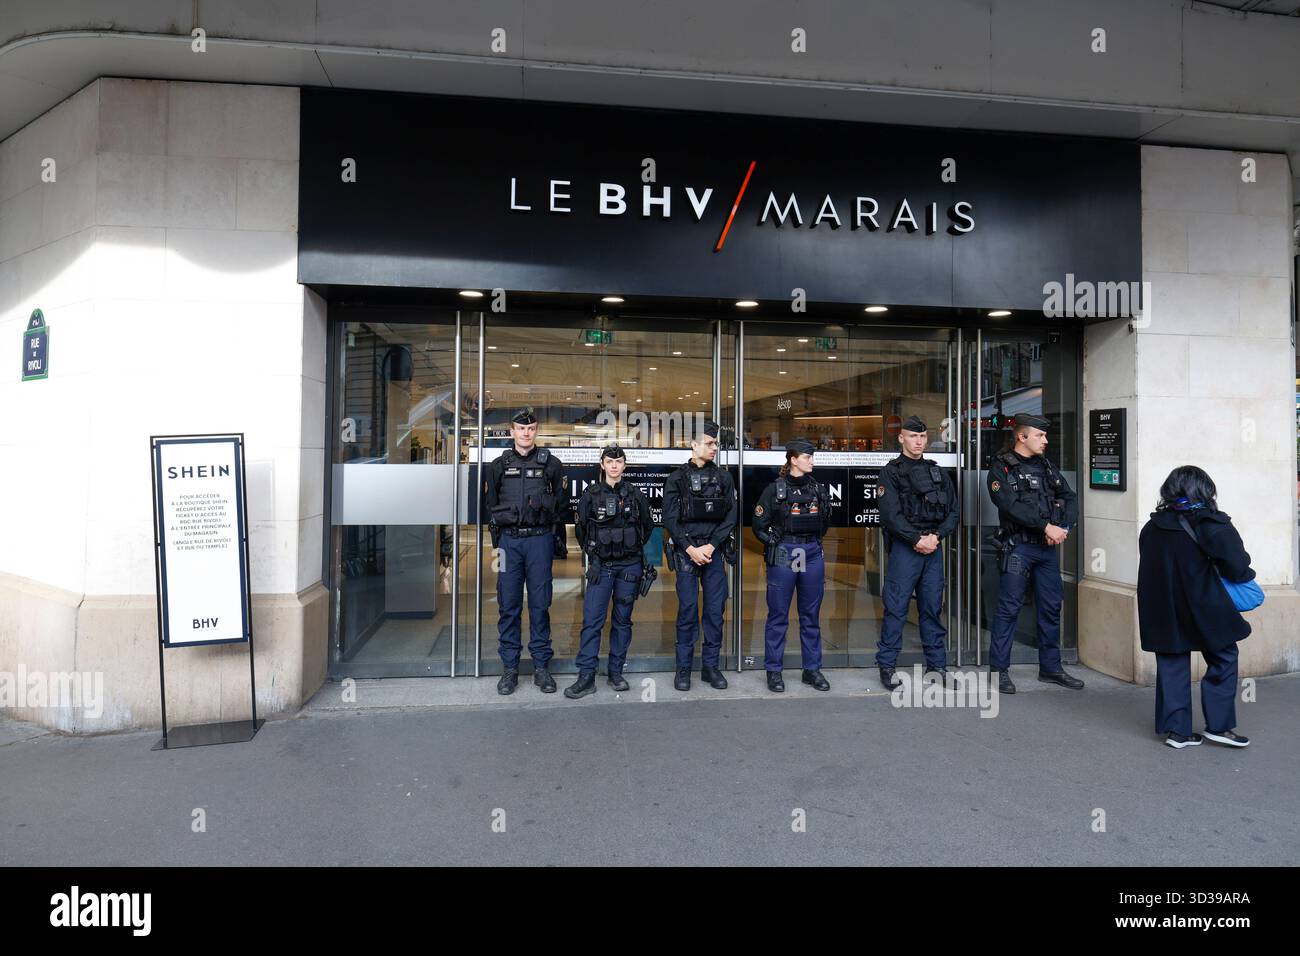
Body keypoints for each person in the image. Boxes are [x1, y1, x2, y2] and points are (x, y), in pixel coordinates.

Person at [1137, 466, 1253, 749]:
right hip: (1207, 606)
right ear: (1204, 490)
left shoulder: (1153, 526)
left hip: (1164, 607)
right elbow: (1237, 565)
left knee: (1173, 663)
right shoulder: (1212, 523)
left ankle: (1178, 732)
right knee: (1224, 658)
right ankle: (1219, 726)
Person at [986, 413, 1085, 694]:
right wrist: (1046, 526)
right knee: (1009, 609)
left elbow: (1069, 496)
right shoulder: (1002, 468)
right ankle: (999, 671)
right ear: (1022, 436)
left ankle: (1050, 668)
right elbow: (1009, 505)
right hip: (1019, 547)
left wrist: (1063, 526)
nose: (1045, 440)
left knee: (1051, 607)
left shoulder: (1046, 467)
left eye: (1045, 435)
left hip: (1046, 551)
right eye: (1040, 435)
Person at [484, 407, 570, 695]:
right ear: (512, 431)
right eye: (521, 429)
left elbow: (561, 506)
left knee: (540, 605)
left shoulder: (551, 464)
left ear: (536, 431)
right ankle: (510, 669)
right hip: (509, 542)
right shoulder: (498, 464)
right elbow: (491, 506)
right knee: (508, 605)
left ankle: (541, 668)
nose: (526, 433)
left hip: (539, 541)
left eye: (531, 428)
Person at [876, 415, 959, 690]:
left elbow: (953, 512)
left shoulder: (937, 472)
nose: (919, 441)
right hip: (906, 549)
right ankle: (887, 666)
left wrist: (936, 536)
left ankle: (937, 667)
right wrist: (916, 539)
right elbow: (890, 515)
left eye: (923, 437)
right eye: (913, 436)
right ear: (901, 438)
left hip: (932, 548)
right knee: (896, 609)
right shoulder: (891, 472)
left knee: (932, 610)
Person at [565, 445, 654, 699]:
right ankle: (586, 676)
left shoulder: (636, 495)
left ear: (625, 465)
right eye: (609, 461)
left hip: (629, 566)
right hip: (601, 567)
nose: (614, 466)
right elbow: (581, 530)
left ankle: (616, 672)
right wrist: (596, 555)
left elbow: (646, 527)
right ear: (602, 464)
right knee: (592, 621)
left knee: (622, 621)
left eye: (619, 461)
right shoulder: (590, 495)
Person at [751, 438, 831, 693]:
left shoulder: (818, 488)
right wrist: (773, 541)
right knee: (778, 615)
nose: (812, 461)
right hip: (785, 552)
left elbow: (825, 522)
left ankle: (812, 670)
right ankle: (774, 671)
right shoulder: (775, 490)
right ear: (793, 460)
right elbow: (758, 525)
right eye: (808, 457)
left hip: (811, 552)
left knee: (811, 615)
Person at [662, 421, 737, 691]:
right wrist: (690, 548)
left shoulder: (724, 478)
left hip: (713, 552)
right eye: (709, 443)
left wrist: (712, 545)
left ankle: (710, 667)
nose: (714, 447)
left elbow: (731, 515)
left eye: (715, 443)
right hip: (687, 553)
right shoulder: (677, 478)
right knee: (688, 611)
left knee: (715, 611)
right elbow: (670, 518)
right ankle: (683, 669)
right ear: (694, 445)